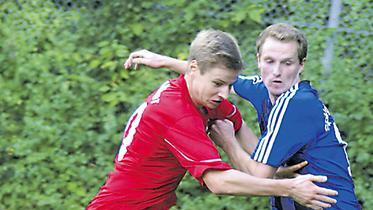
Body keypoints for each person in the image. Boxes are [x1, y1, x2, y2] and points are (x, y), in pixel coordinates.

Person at [87, 29, 338, 210]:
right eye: (218, 84)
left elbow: (239, 129)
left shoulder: (207, 98)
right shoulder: (175, 112)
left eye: (229, 85)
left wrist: (274, 169)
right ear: (193, 69)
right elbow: (218, 182)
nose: (225, 94)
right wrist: (289, 188)